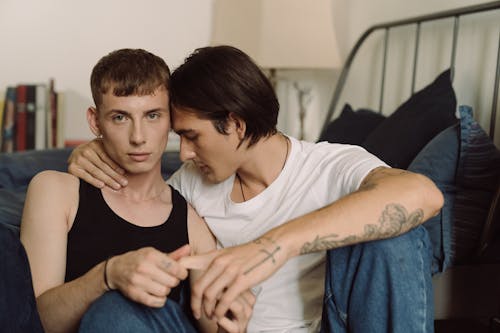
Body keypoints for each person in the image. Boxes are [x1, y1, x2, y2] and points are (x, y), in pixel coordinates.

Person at [68, 45, 444, 332]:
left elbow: (423, 194)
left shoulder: (328, 166)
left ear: (235, 124)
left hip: (326, 322)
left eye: (192, 136)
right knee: (115, 309)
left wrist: (271, 248)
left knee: (393, 236)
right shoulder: (190, 183)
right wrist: (96, 151)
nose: (183, 152)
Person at [20, 48, 254, 333]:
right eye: (120, 117)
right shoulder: (56, 192)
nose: (138, 137)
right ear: (95, 122)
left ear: (172, 120)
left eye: (153, 115)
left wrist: (235, 325)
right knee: (114, 306)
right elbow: (37, 321)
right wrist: (108, 276)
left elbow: (214, 326)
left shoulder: (192, 221)